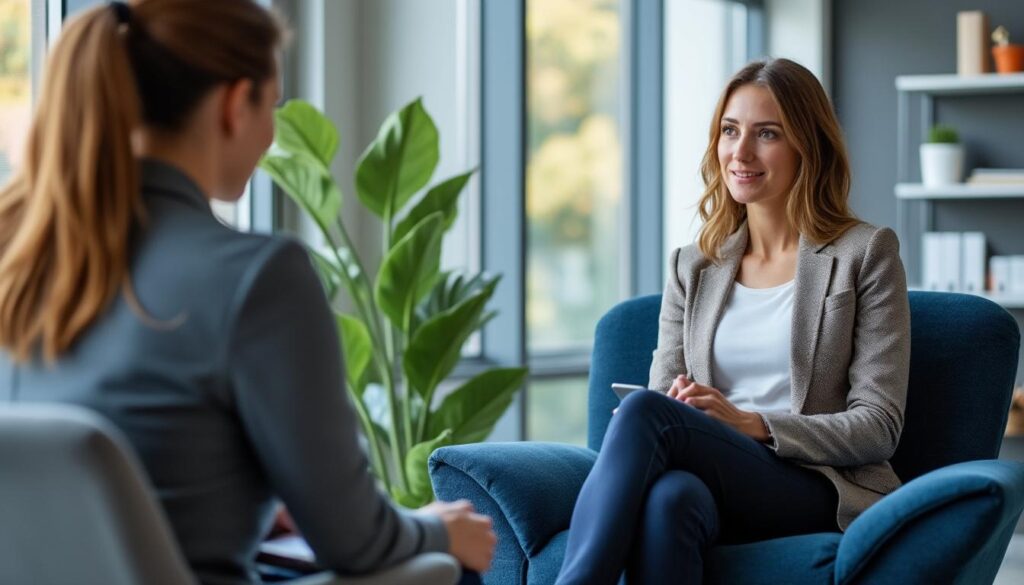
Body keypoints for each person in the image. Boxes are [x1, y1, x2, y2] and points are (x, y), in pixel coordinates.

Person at [0, 1, 494, 584]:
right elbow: (357, 542)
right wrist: (439, 527)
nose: (271, 134)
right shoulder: (258, 276)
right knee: (453, 560)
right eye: (273, 105)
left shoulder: (23, 266)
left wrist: (249, 501)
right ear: (235, 105)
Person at [555, 57, 910, 584]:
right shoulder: (692, 265)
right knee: (669, 500)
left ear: (806, 146)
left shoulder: (865, 253)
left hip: (812, 483)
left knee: (646, 416)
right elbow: (663, 391)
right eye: (729, 131)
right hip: (711, 476)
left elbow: (879, 426)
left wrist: (755, 426)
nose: (739, 153)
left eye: (766, 134)